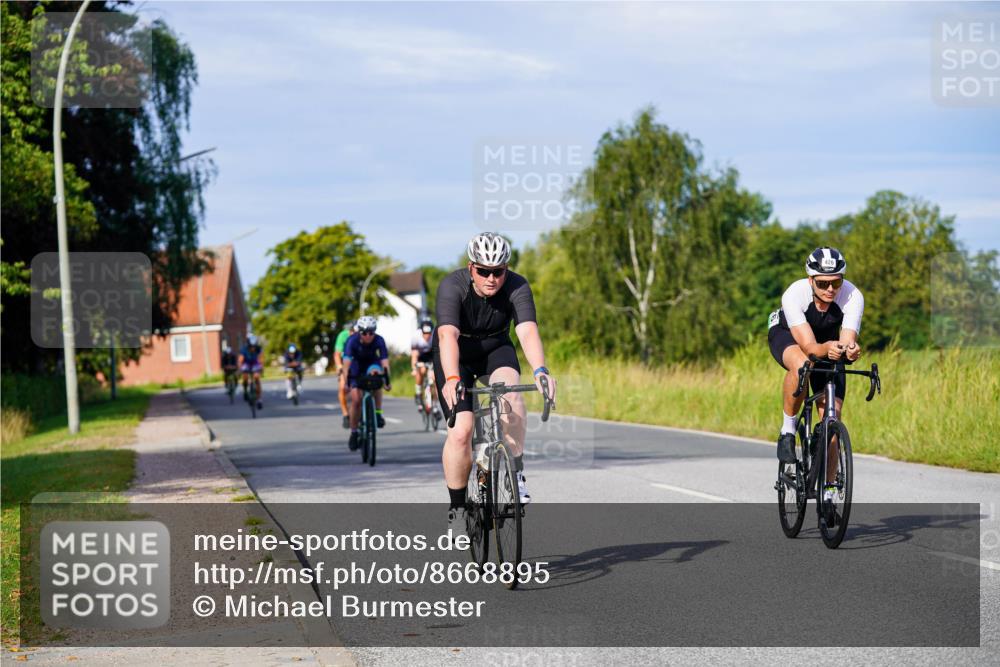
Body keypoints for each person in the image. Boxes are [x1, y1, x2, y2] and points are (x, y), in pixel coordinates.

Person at [434, 232, 556, 536]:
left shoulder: (517, 285)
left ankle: (515, 473)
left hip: (495, 349)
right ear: (471, 268)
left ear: (506, 269)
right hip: (457, 355)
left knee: (511, 399)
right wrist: (452, 378)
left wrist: (540, 370)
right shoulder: (452, 285)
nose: (491, 279)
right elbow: (447, 335)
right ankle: (457, 509)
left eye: (498, 271)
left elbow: (527, 330)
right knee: (461, 431)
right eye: (483, 271)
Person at [768, 247, 864, 503]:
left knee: (833, 416)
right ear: (810, 280)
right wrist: (829, 348)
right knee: (803, 365)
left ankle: (829, 489)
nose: (830, 289)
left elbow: (846, 340)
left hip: (828, 342)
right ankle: (788, 430)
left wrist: (850, 351)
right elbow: (810, 347)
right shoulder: (794, 294)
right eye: (822, 283)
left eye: (836, 283)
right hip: (790, 336)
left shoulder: (853, 295)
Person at [343, 315, 392, 451]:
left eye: (371, 332)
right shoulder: (352, 341)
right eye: (364, 333)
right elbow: (346, 364)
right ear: (359, 332)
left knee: (377, 380)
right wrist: (346, 382)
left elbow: (385, 363)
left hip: (372, 364)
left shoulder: (379, 340)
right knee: (356, 400)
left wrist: (387, 380)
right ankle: (354, 432)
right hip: (356, 367)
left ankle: (378, 412)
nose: (368, 336)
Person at [411, 318, 439, 417]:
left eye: (429, 333)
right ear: (421, 331)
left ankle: (435, 406)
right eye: (425, 333)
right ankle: (418, 392)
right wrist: (414, 369)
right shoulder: (416, 337)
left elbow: (438, 354)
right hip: (420, 355)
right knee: (421, 370)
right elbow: (414, 355)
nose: (427, 336)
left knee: (434, 378)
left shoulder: (435, 336)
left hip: (432, 355)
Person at [334, 321, 355, 429]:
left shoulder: (364, 336)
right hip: (345, 363)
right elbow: (337, 354)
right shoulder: (343, 336)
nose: (353, 333)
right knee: (342, 388)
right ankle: (345, 414)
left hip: (359, 363)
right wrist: (339, 366)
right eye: (351, 331)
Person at [240, 334, 264, 410]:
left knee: (257, 378)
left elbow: (261, 359)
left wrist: (261, 367)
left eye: (254, 346)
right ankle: (245, 390)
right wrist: (240, 368)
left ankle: (259, 399)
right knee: (245, 376)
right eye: (251, 346)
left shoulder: (258, 348)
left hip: (255, 363)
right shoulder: (244, 349)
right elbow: (241, 360)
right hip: (246, 363)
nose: (253, 348)